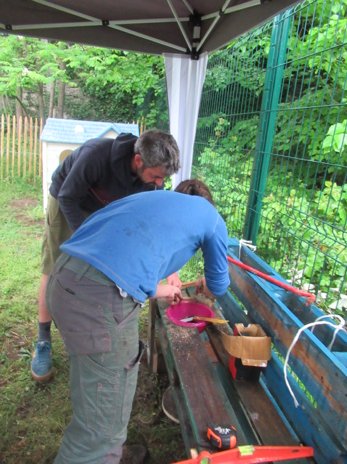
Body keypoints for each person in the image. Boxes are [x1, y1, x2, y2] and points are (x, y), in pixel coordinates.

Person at [45, 179, 230, 464]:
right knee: (96, 437)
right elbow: (218, 286)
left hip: (64, 279)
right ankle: (102, 451)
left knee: (97, 388)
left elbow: (114, 262)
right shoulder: (211, 217)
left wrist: (164, 289)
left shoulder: (150, 202)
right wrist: (206, 282)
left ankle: (111, 448)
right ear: (209, 203)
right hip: (95, 302)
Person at [31, 129, 181, 382]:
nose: (159, 184)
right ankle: (43, 341)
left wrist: (171, 271)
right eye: (156, 176)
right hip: (69, 201)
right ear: (138, 161)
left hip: (105, 209)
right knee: (54, 267)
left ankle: (89, 327)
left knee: (100, 270)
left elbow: (154, 224)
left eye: (163, 178)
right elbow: (68, 197)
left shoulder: (153, 180)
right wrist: (90, 241)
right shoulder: (95, 156)